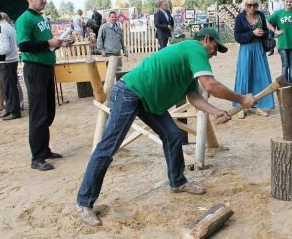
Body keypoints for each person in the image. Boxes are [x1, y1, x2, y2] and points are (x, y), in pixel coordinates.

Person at [75, 28, 255, 226]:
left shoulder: (190, 64)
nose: (215, 53)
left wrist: (215, 111)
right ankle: (84, 202)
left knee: (173, 135)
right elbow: (210, 85)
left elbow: (194, 97)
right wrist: (241, 99)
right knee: (108, 148)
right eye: (215, 47)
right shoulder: (195, 48)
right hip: (129, 92)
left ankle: (178, 182)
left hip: (149, 101)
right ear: (205, 39)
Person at [16, 0, 70, 171]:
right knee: (38, 113)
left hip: (46, 67)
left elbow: (44, 45)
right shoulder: (25, 19)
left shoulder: (42, 19)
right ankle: (36, 158)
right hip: (35, 68)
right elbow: (23, 45)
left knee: (48, 111)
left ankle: (45, 150)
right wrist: (48, 42)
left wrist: (57, 44)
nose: (44, 1)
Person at [233, 0, 275, 119]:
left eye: (254, 5)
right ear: (245, 5)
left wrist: (262, 33)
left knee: (260, 77)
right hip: (246, 50)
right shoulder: (240, 18)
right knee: (244, 77)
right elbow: (238, 37)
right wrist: (252, 33)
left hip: (258, 49)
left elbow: (267, 32)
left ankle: (259, 105)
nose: (252, 8)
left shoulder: (261, 15)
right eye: (249, 5)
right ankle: (241, 106)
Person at [0, 8, 21, 120]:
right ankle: (10, 109)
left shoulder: (2, 29)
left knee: (9, 87)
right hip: (9, 61)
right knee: (8, 87)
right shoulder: (7, 26)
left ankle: (14, 111)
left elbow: (5, 48)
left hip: (6, 62)